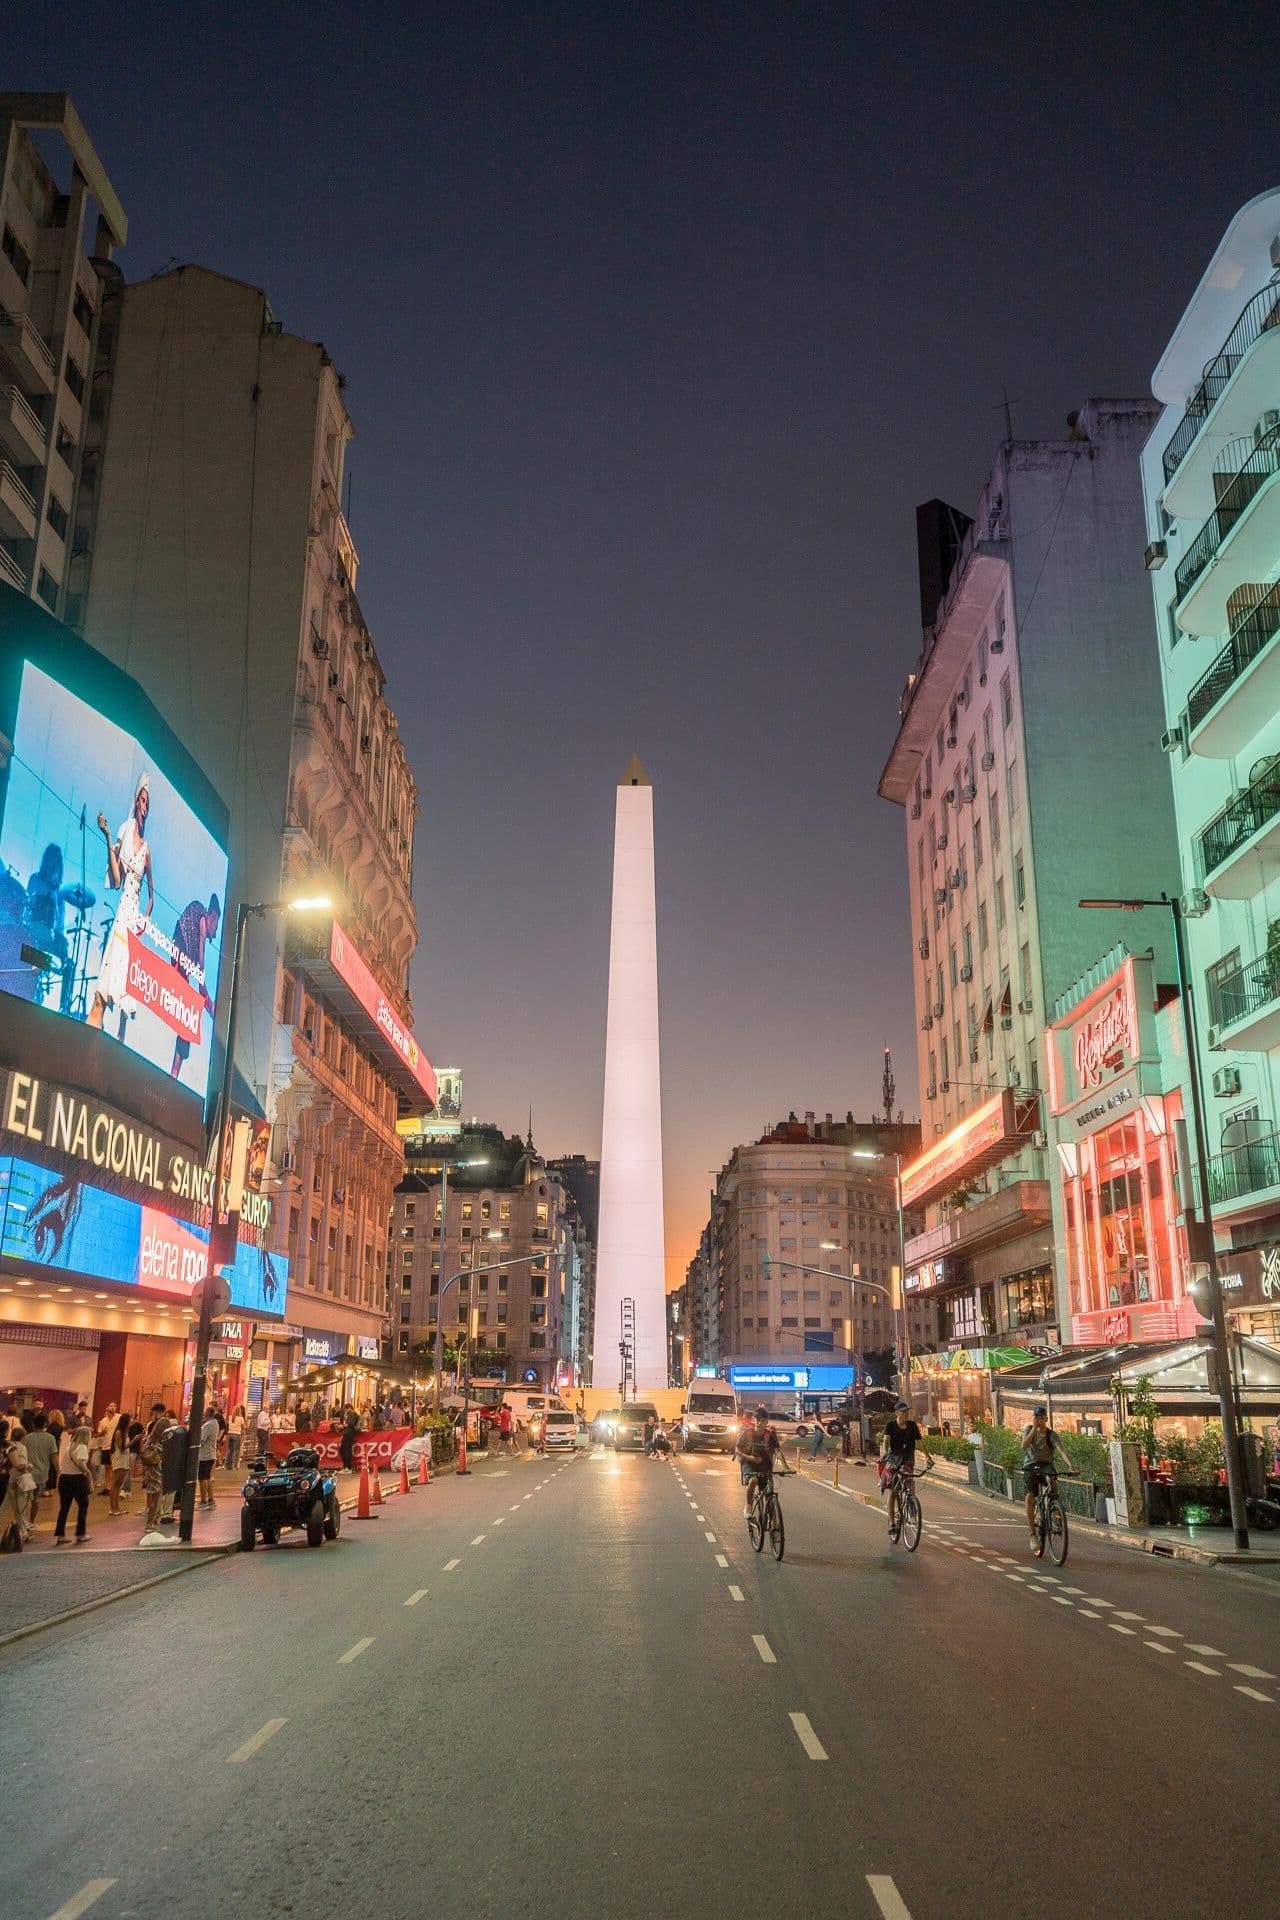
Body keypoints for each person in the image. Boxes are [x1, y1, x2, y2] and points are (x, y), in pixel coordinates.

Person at [87, 773, 155, 1037]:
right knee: (113, 965)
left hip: (134, 916)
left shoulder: (147, 849)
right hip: (122, 912)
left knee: (127, 969)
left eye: (147, 803)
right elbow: (116, 880)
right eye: (141, 801)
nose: (144, 807)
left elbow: (152, 896)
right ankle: (99, 1022)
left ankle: (120, 1037)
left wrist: (144, 921)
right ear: (136, 802)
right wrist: (107, 836)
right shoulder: (125, 831)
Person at [168, 893, 220, 1079]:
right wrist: (207, 1001)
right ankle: (175, 1070)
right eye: (216, 926)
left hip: (179, 964)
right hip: (179, 963)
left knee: (188, 1017)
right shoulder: (202, 919)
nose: (214, 932)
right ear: (213, 916)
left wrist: (206, 1002)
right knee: (187, 1016)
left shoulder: (198, 915)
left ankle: (176, 1068)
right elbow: (201, 963)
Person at [1021, 1406, 1073, 1551]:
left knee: (1053, 1482)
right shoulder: (1029, 1430)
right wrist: (1033, 1430)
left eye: (1042, 1418)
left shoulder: (1052, 1435)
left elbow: (1061, 1450)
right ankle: (1032, 1534)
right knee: (1030, 1496)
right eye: (1037, 1418)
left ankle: (1055, 1514)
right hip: (1030, 1466)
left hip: (1046, 1465)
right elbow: (1024, 1446)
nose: (1039, 1420)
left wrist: (1070, 1465)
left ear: (1046, 1419)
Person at [879, 1402, 924, 1537]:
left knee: (909, 1479)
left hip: (908, 1457)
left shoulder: (912, 1426)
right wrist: (885, 1453)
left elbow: (920, 1442)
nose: (906, 1414)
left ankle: (911, 1502)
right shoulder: (890, 1425)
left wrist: (928, 1458)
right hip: (894, 1457)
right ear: (897, 1413)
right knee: (893, 1490)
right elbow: (886, 1440)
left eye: (907, 1412)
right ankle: (892, 1522)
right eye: (903, 1412)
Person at [735, 1406, 780, 1518]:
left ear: (767, 1422)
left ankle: (772, 1519)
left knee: (768, 1491)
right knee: (753, 1480)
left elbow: (776, 1451)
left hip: (765, 1466)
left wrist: (781, 1467)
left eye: (763, 1420)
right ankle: (748, 1506)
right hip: (749, 1465)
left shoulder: (770, 1435)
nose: (760, 1423)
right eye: (757, 1420)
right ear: (754, 1420)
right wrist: (750, 1458)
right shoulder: (747, 1433)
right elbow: (737, 1450)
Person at [54, 1423, 93, 1543]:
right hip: (76, 1479)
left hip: (64, 1478)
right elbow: (80, 1462)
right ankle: (80, 1533)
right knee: (83, 1505)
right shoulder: (82, 1447)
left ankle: (60, 1535)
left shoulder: (69, 1446)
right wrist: (88, 1473)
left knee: (64, 1507)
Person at [22, 1410, 57, 1532]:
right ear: (45, 1424)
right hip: (42, 1474)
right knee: (36, 1499)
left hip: (27, 1473)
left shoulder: (26, 1437)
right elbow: (54, 1457)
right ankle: (31, 1522)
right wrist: (59, 1472)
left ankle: (23, 1522)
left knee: (25, 1499)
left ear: (34, 1424)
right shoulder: (50, 1438)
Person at [139, 1402, 170, 1531]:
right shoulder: (162, 1439)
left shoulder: (151, 1438)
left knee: (151, 1492)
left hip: (150, 1467)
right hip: (158, 1467)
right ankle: (150, 1522)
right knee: (157, 1494)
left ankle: (152, 1519)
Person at [107, 1413, 132, 1516]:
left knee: (119, 1485)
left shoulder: (125, 1432)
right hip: (119, 1458)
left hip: (125, 1458)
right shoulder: (118, 1432)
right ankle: (112, 1508)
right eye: (130, 1420)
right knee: (115, 1484)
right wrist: (135, 1440)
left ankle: (117, 1507)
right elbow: (122, 1447)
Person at [94, 1402, 120, 1494]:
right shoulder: (103, 1420)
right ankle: (107, 1487)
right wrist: (102, 1433)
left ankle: (113, 1487)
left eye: (114, 1406)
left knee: (114, 1467)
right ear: (107, 1407)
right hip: (105, 1446)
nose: (113, 1407)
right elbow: (98, 1434)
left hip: (115, 1446)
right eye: (111, 1406)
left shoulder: (118, 1418)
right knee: (107, 1467)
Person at [197, 1408, 220, 1508]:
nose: (203, 1414)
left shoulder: (208, 1425)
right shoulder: (215, 1423)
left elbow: (202, 1440)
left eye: (205, 1413)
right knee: (208, 1477)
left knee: (202, 1479)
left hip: (204, 1456)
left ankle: (203, 1501)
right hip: (211, 1454)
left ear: (207, 1414)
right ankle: (211, 1499)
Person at [226, 1405, 246, 1471]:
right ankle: (234, 1466)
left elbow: (228, 1425)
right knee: (236, 1451)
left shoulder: (230, 1417)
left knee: (229, 1450)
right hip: (237, 1434)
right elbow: (243, 1427)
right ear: (239, 1411)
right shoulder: (241, 1418)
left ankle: (227, 1465)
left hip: (230, 1434)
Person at [340, 1406, 359, 1472]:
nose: (345, 1412)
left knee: (346, 1450)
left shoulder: (352, 1413)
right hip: (347, 1433)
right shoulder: (351, 1414)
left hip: (349, 1433)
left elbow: (351, 1424)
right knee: (344, 1449)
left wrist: (343, 1426)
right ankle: (346, 1467)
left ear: (348, 1408)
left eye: (345, 1410)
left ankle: (347, 1467)